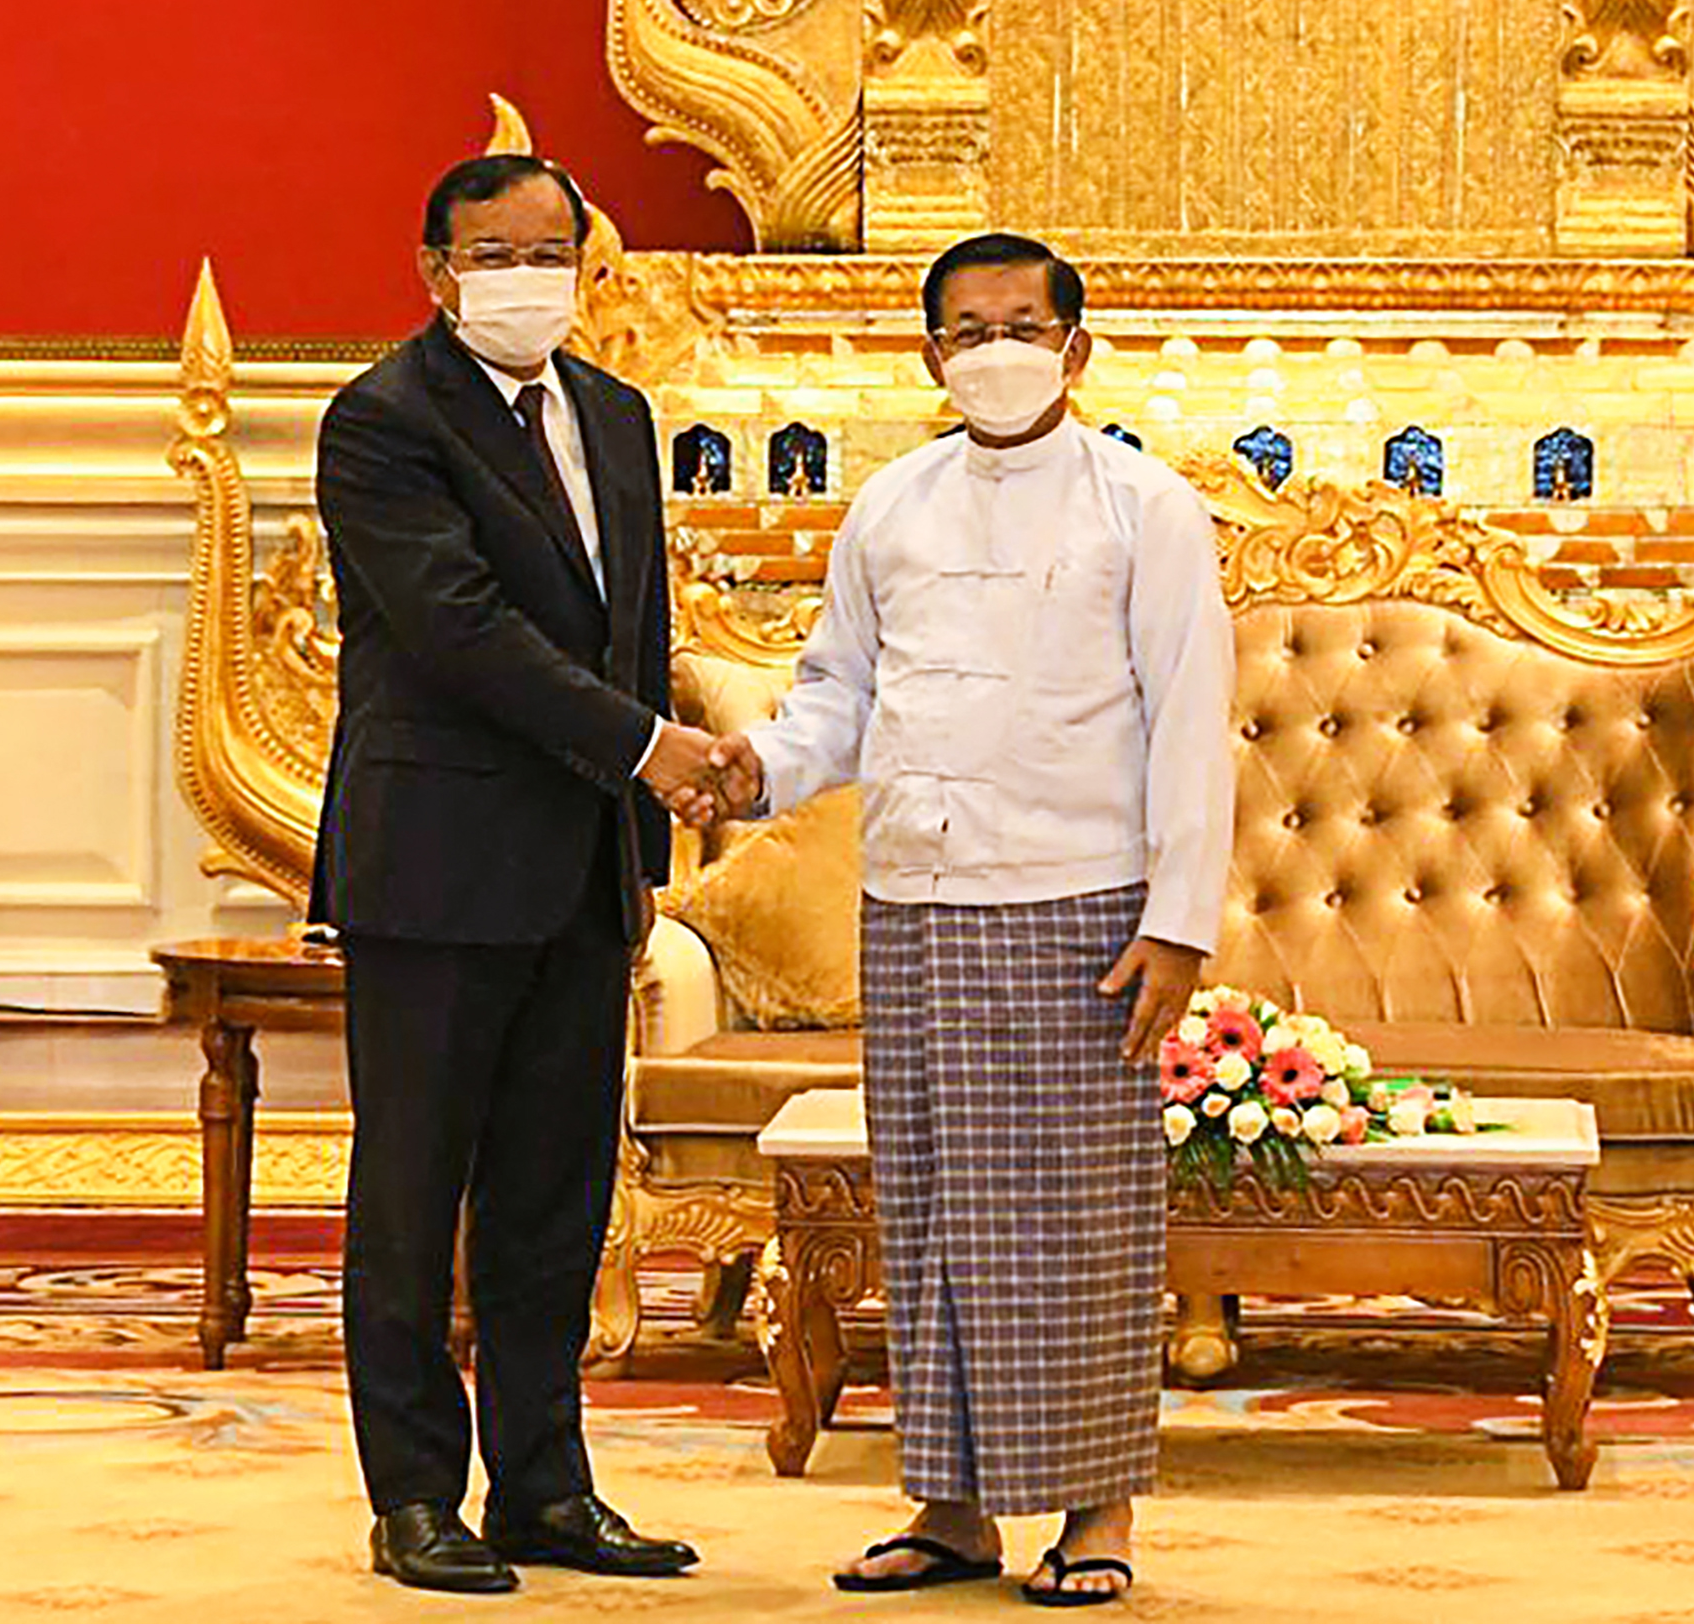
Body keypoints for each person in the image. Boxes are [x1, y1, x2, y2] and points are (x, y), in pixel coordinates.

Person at [708, 232, 1236, 1607]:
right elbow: (839, 693)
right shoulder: (890, 505)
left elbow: (1191, 721)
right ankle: (949, 1508)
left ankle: (1099, 1511)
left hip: (1081, 904)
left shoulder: (1147, 507)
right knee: (935, 1211)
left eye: (1022, 326)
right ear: (931, 353)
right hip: (915, 902)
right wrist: (761, 768)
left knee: (1080, 1218)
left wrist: (1179, 920)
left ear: (1076, 346)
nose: (996, 352)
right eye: (969, 330)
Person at [312, 153, 719, 1595]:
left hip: (581, 870)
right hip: (436, 863)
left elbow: (631, 630)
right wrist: (649, 750)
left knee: (556, 1196)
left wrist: (647, 832)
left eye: (551, 251)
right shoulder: (382, 420)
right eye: (494, 255)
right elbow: (460, 629)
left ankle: (547, 1486)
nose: (526, 278)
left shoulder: (615, 413)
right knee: (414, 1193)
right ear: (436, 270)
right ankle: (416, 1495)